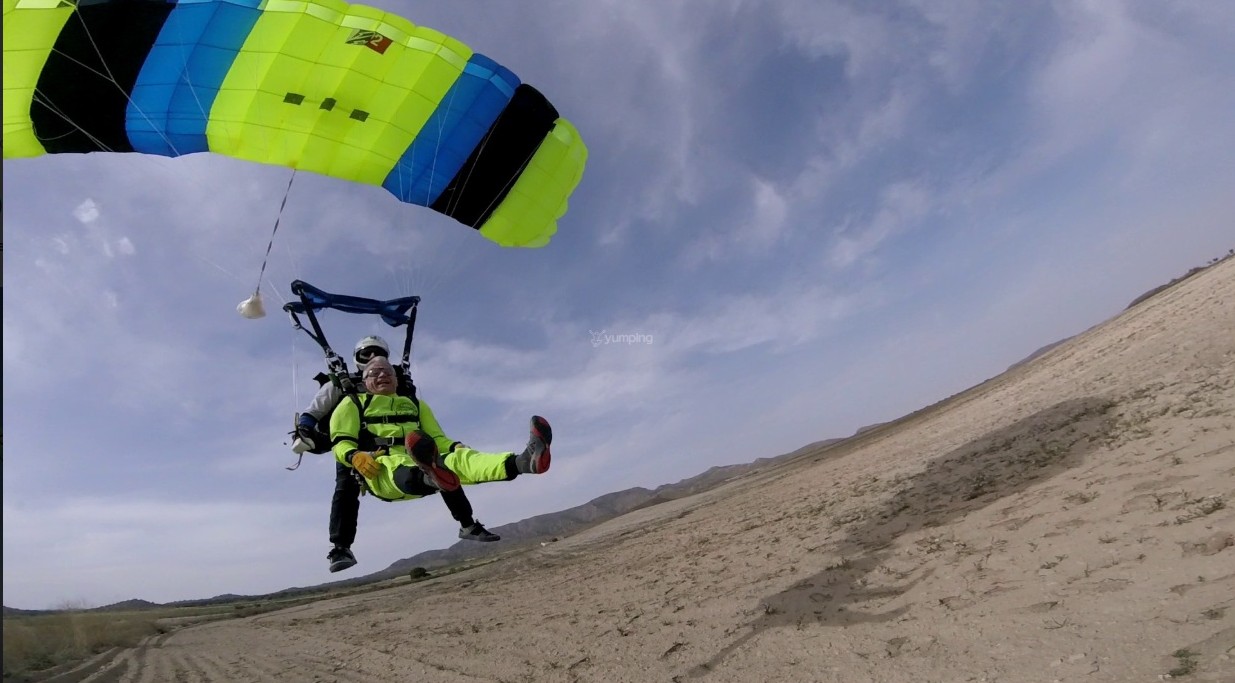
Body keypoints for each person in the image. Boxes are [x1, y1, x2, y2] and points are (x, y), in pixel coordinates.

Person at [330, 356, 552, 560]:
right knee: (397, 464)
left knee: (461, 458)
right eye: (375, 372)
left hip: (422, 455)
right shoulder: (353, 403)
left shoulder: (417, 405)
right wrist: (354, 456)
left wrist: (455, 447)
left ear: (397, 380)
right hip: (381, 469)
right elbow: (340, 442)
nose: (383, 375)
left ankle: (522, 462)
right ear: (364, 380)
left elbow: (437, 438)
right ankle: (432, 475)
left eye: (388, 372)